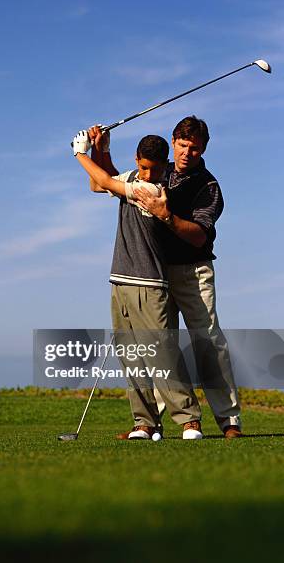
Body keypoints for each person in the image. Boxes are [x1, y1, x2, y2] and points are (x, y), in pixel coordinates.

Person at [95, 116, 242, 439]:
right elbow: (117, 183)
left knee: (208, 342)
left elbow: (199, 236)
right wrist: (100, 149)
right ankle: (149, 423)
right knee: (157, 346)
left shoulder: (208, 186)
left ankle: (229, 420)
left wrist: (166, 216)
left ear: (204, 149)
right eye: (183, 145)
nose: (188, 152)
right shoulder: (160, 169)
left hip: (193, 271)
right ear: (173, 142)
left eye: (195, 148)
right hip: (155, 271)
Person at [72, 128, 203, 440]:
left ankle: (189, 420)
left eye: (154, 169)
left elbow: (105, 181)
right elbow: (98, 183)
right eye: (143, 167)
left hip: (150, 282)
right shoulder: (133, 179)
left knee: (162, 353)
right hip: (120, 279)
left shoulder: (156, 190)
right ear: (137, 160)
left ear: (164, 165)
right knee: (131, 356)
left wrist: (78, 153)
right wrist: (101, 147)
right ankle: (144, 423)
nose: (148, 173)